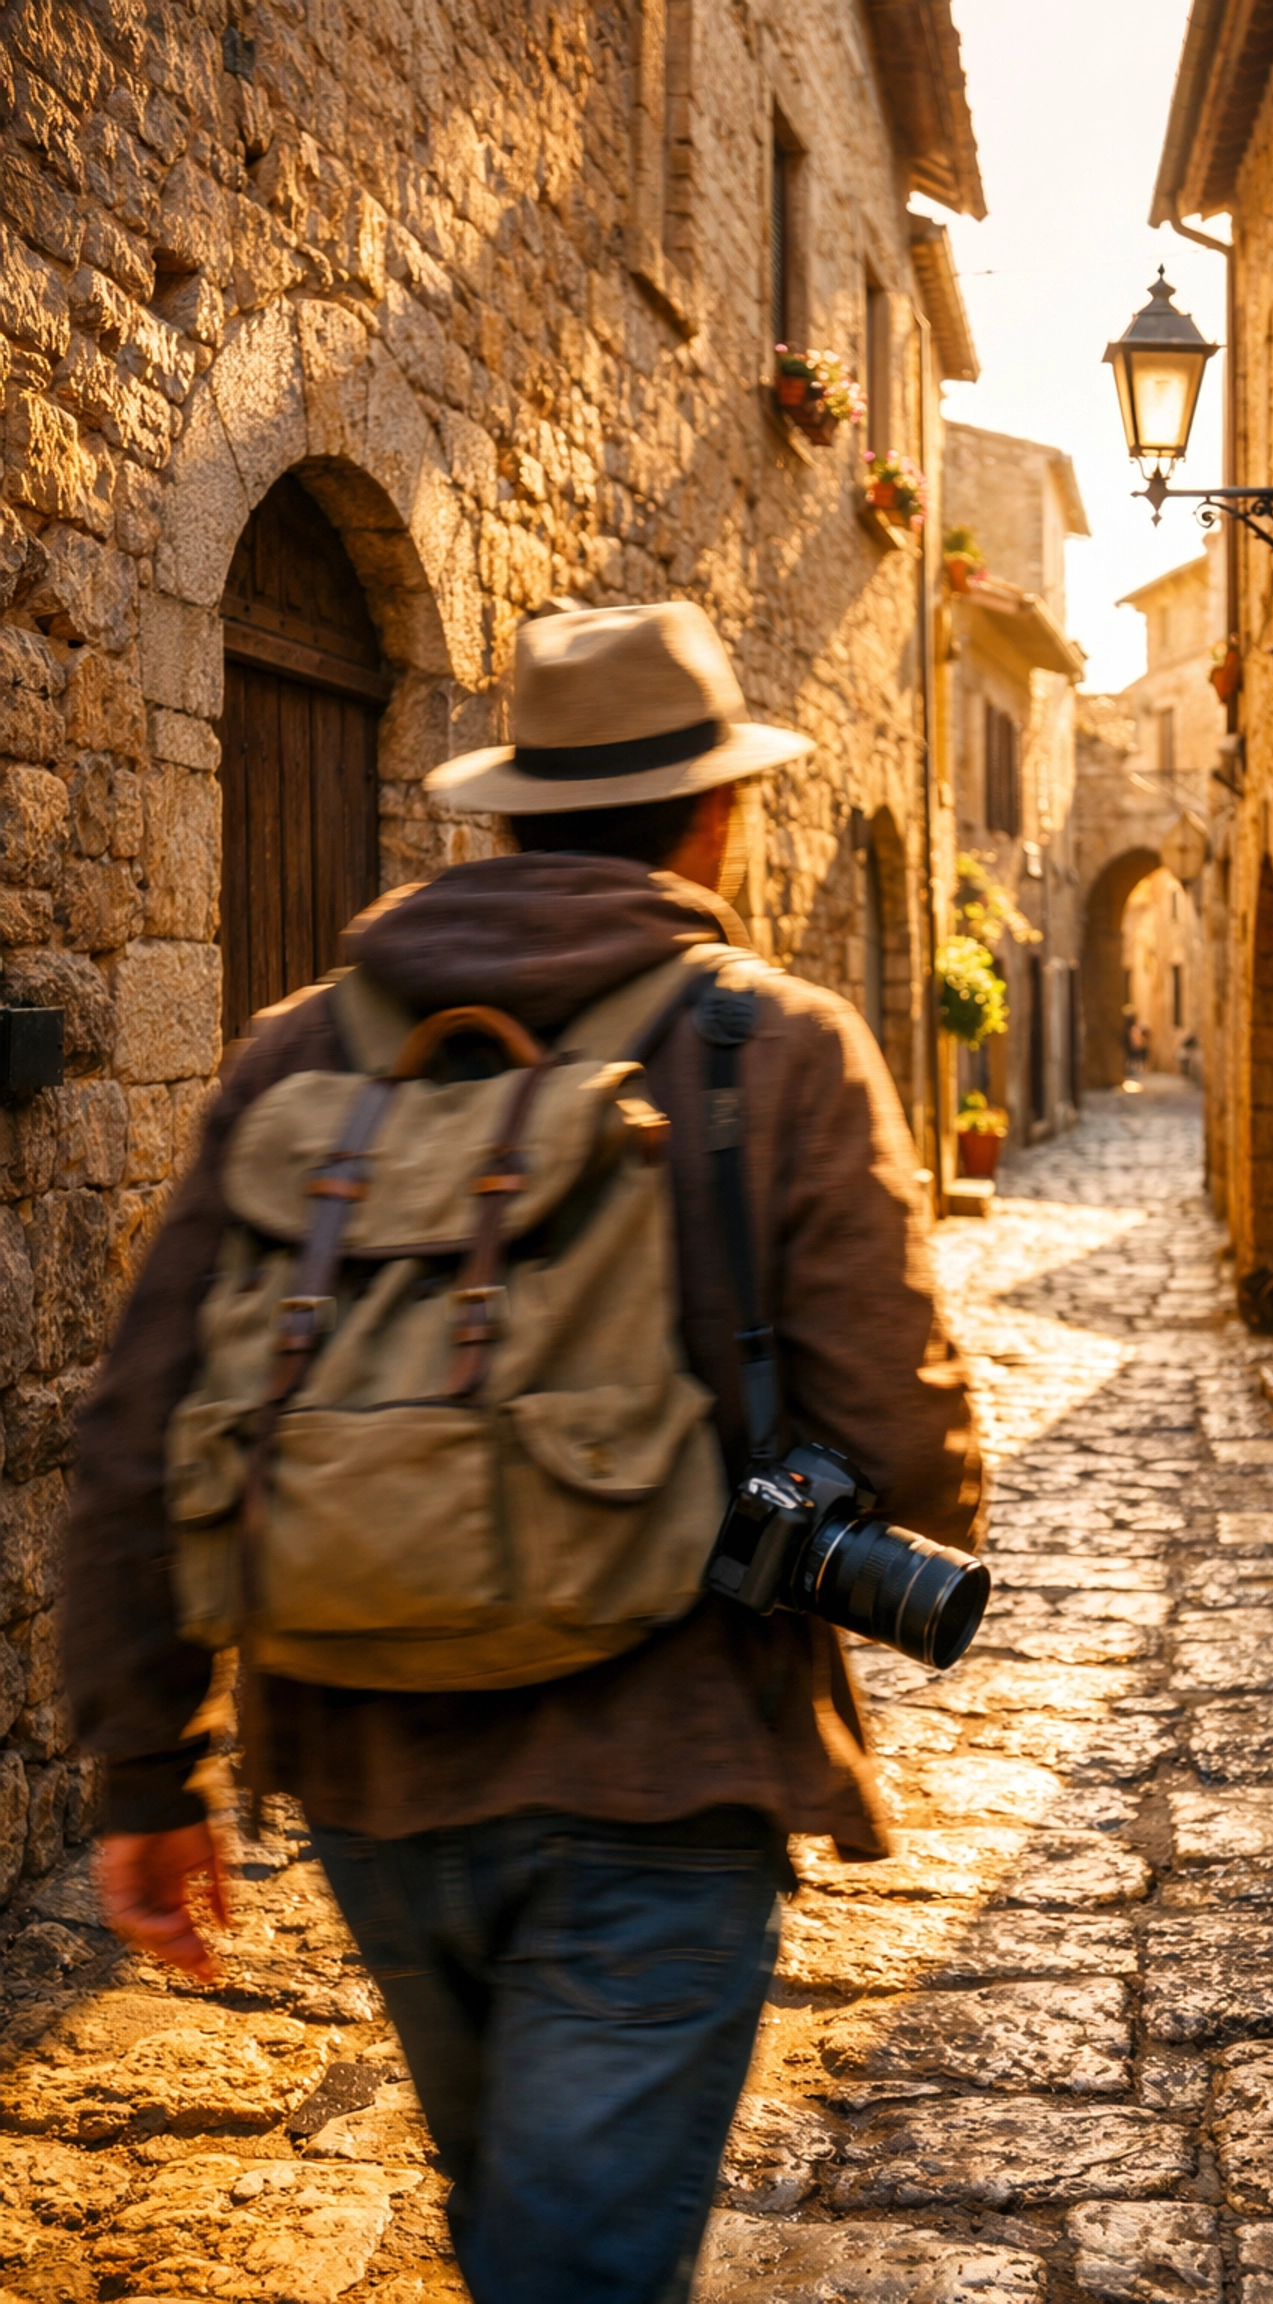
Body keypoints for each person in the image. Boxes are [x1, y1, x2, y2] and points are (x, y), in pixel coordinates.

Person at [65, 600, 981, 2304]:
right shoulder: (770, 1050)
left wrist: (143, 1771)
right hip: (669, 1771)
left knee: (521, 2232)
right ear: (714, 815)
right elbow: (910, 1451)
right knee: (571, 2265)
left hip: (369, 1771)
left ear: (503, 813)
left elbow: (139, 1421)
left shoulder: (301, 1050)